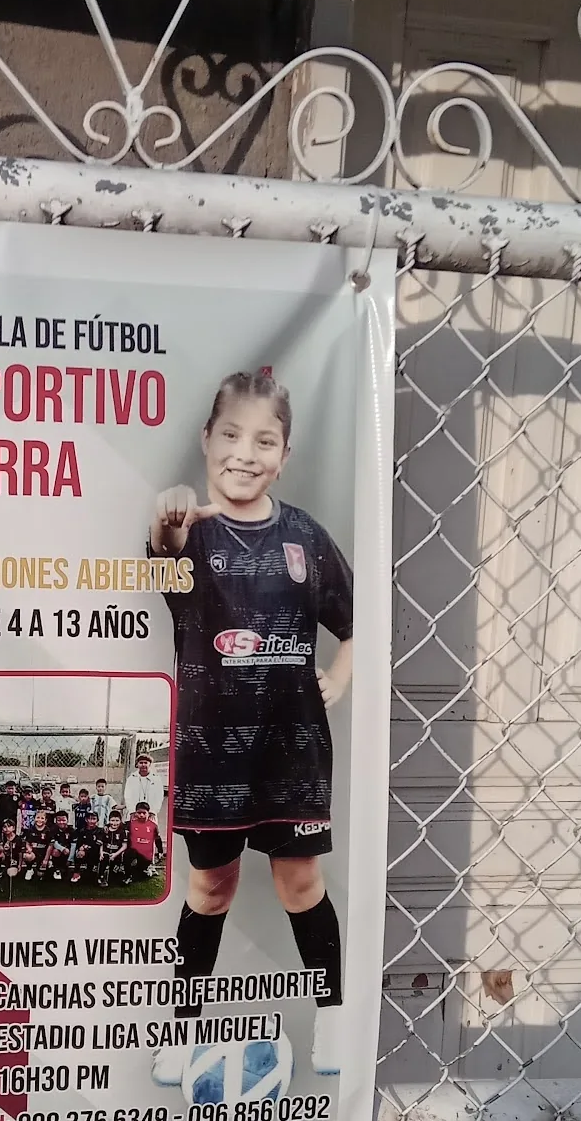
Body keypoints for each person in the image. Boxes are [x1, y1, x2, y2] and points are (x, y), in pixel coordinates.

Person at [147, 370, 354, 1083]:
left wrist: (341, 675)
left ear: (285, 453)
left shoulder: (305, 537)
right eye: (231, 435)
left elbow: (357, 626)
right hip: (210, 753)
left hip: (292, 751)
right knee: (210, 892)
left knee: (302, 885)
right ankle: (181, 1031)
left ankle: (334, 1023)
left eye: (265, 440)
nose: (245, 452)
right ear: (207, 441)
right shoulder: (190, 534)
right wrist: (168, 523)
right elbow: (165, 555)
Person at [124, 802, 164, 882]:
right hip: (134, 852)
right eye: (139, 813)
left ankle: (145, 869)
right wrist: (107, 827)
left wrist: (160, 851)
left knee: (141, 875)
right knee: (128, 854)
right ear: (135, 813)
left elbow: (157, 839)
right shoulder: (131, 824)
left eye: (144, 813)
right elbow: (117, 826)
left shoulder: (153, 826)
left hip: (146, 855)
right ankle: (127, 876)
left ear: (148, 814)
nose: (141, 815)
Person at [124, 753, 164, 818]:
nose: (143, 765)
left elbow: (159, 797)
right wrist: (132, 811)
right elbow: (128, 796)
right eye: (141, 763)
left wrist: (153, 811)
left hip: (150, 814)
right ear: (137, 764)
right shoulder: (131, 778)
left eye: (146, 763)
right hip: (135, 814)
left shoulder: (156, 779)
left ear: (150, 764)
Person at [71, 813, 104, 884]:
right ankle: (76, 873)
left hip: (95, 854)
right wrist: (81, 847)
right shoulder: (82, 831)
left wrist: (86, 847)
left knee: (90, 877)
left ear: (97, 820)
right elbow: (78, 844)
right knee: (80, 852)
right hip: (85, 854)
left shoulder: (100, 831)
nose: (91, 821)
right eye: (89, 819)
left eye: (94, 819)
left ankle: (91, 870)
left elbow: (97, 845)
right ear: (86, 820)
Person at [100, 810, 128, 886]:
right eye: (112, 820)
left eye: (117, 820)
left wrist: (115, 854)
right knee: (103, 862)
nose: (114, 823)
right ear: (109, 821)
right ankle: (101, 877)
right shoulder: (105, 830)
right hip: (106, 853)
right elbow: (101, 843)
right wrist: (101, 853)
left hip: (116, 855)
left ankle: (115, 873)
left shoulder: (122, 831)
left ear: (120, 821)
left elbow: (124, 846)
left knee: (114, 876)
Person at [45, 812, 74, 880]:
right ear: (56, 821)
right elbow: (53, 842)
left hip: (69, 852)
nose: (61, 822)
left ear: (67, 820)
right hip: (60, 851)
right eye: (59, 820)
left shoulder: (71, 830)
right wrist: (62, 849)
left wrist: (70, 858)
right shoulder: (52, 829)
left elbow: (73, 845)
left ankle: (70, 869)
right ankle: (56, 869)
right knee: (55, 851)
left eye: (63, 820)